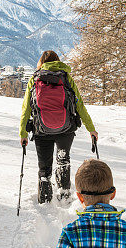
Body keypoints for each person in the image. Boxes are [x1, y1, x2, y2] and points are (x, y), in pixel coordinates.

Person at [19, 50, 97, 204]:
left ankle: (45, 200)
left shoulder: (35, 79)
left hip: (41, 130)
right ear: (57, 61)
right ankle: (64, 196)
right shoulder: (66, 78)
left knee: (44, 167)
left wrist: (23, 132)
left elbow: (26, 108)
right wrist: (91, 129)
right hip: (66, 129)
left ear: (41, 62)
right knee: (63, 160)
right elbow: (79, 105)